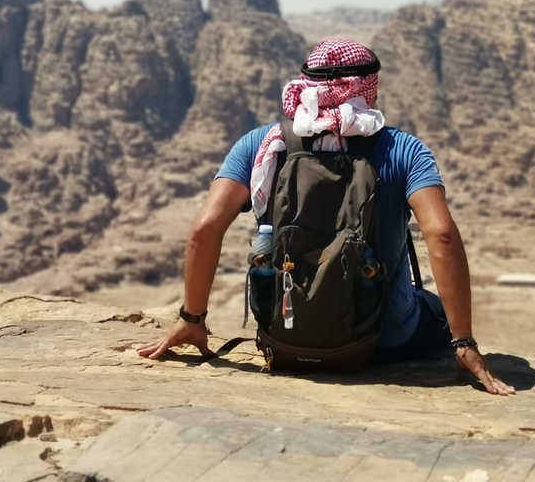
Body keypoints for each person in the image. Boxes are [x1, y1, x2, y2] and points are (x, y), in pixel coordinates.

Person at [137, 38, 515, 396]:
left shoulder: (261, 144)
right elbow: (443, 235)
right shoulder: (403, 149)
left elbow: (204, 230)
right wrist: (463, 342)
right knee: (428, 305)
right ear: (369, 88)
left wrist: (192, 318)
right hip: (383, 340)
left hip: (284, 333)